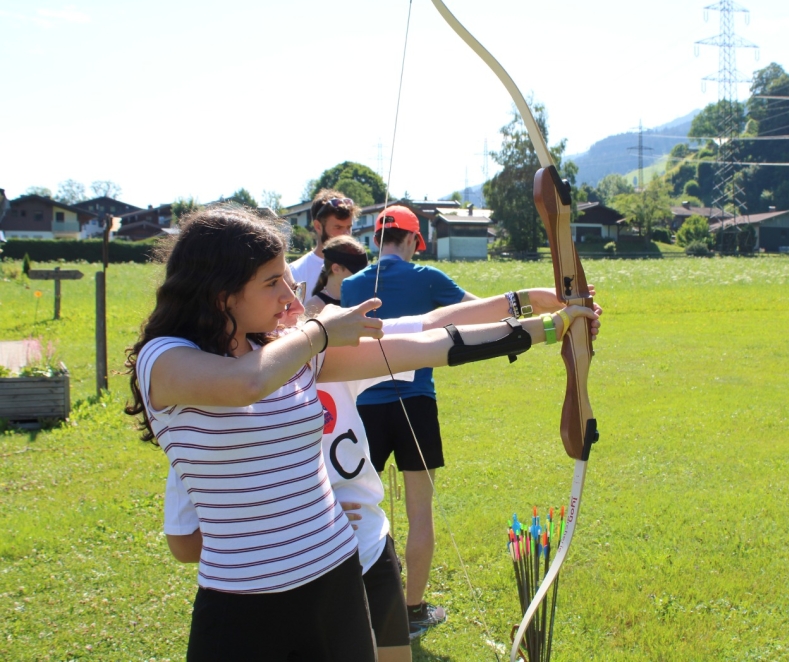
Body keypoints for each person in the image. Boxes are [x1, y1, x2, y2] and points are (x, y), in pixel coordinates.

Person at [140, 208, 598, 660]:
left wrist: (547, 326)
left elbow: (429, 343)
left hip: (335, 579)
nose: (292, 299)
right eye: (271, 282)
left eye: (287, 279)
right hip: (240, 604)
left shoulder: (290, 349)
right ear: (222, 292)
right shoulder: (163, 358)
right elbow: (245, 384)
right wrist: (317, 332)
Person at [341, 205, 476, 634]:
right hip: (416, 404)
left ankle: (357, 606)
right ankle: (412, 610)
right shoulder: (428, 277)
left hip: (364, 410)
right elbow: (482, 311)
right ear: (415, 241)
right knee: (420, 513)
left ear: (377, 241)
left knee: (357, 508)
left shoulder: (351, 286)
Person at [290, 190, 359, 303]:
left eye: (348, 227)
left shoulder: (362, 269)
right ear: (318, 226)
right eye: (338, 227)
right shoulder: (296, 272)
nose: (346, 234)